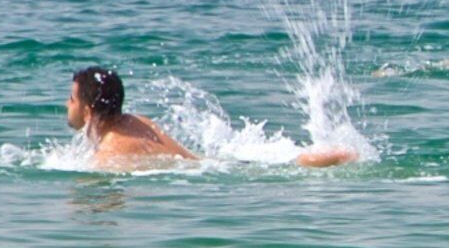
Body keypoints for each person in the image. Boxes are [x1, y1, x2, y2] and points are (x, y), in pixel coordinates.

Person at [64, 66, 355, 171]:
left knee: (282, 168)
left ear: (88, 111)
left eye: (72, 99)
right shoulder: (134, 121)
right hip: (209, 163)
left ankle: (320, 159)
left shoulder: (107, 154)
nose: (67, 104)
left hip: (212, 171)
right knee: (278, 163)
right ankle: (335, 154)